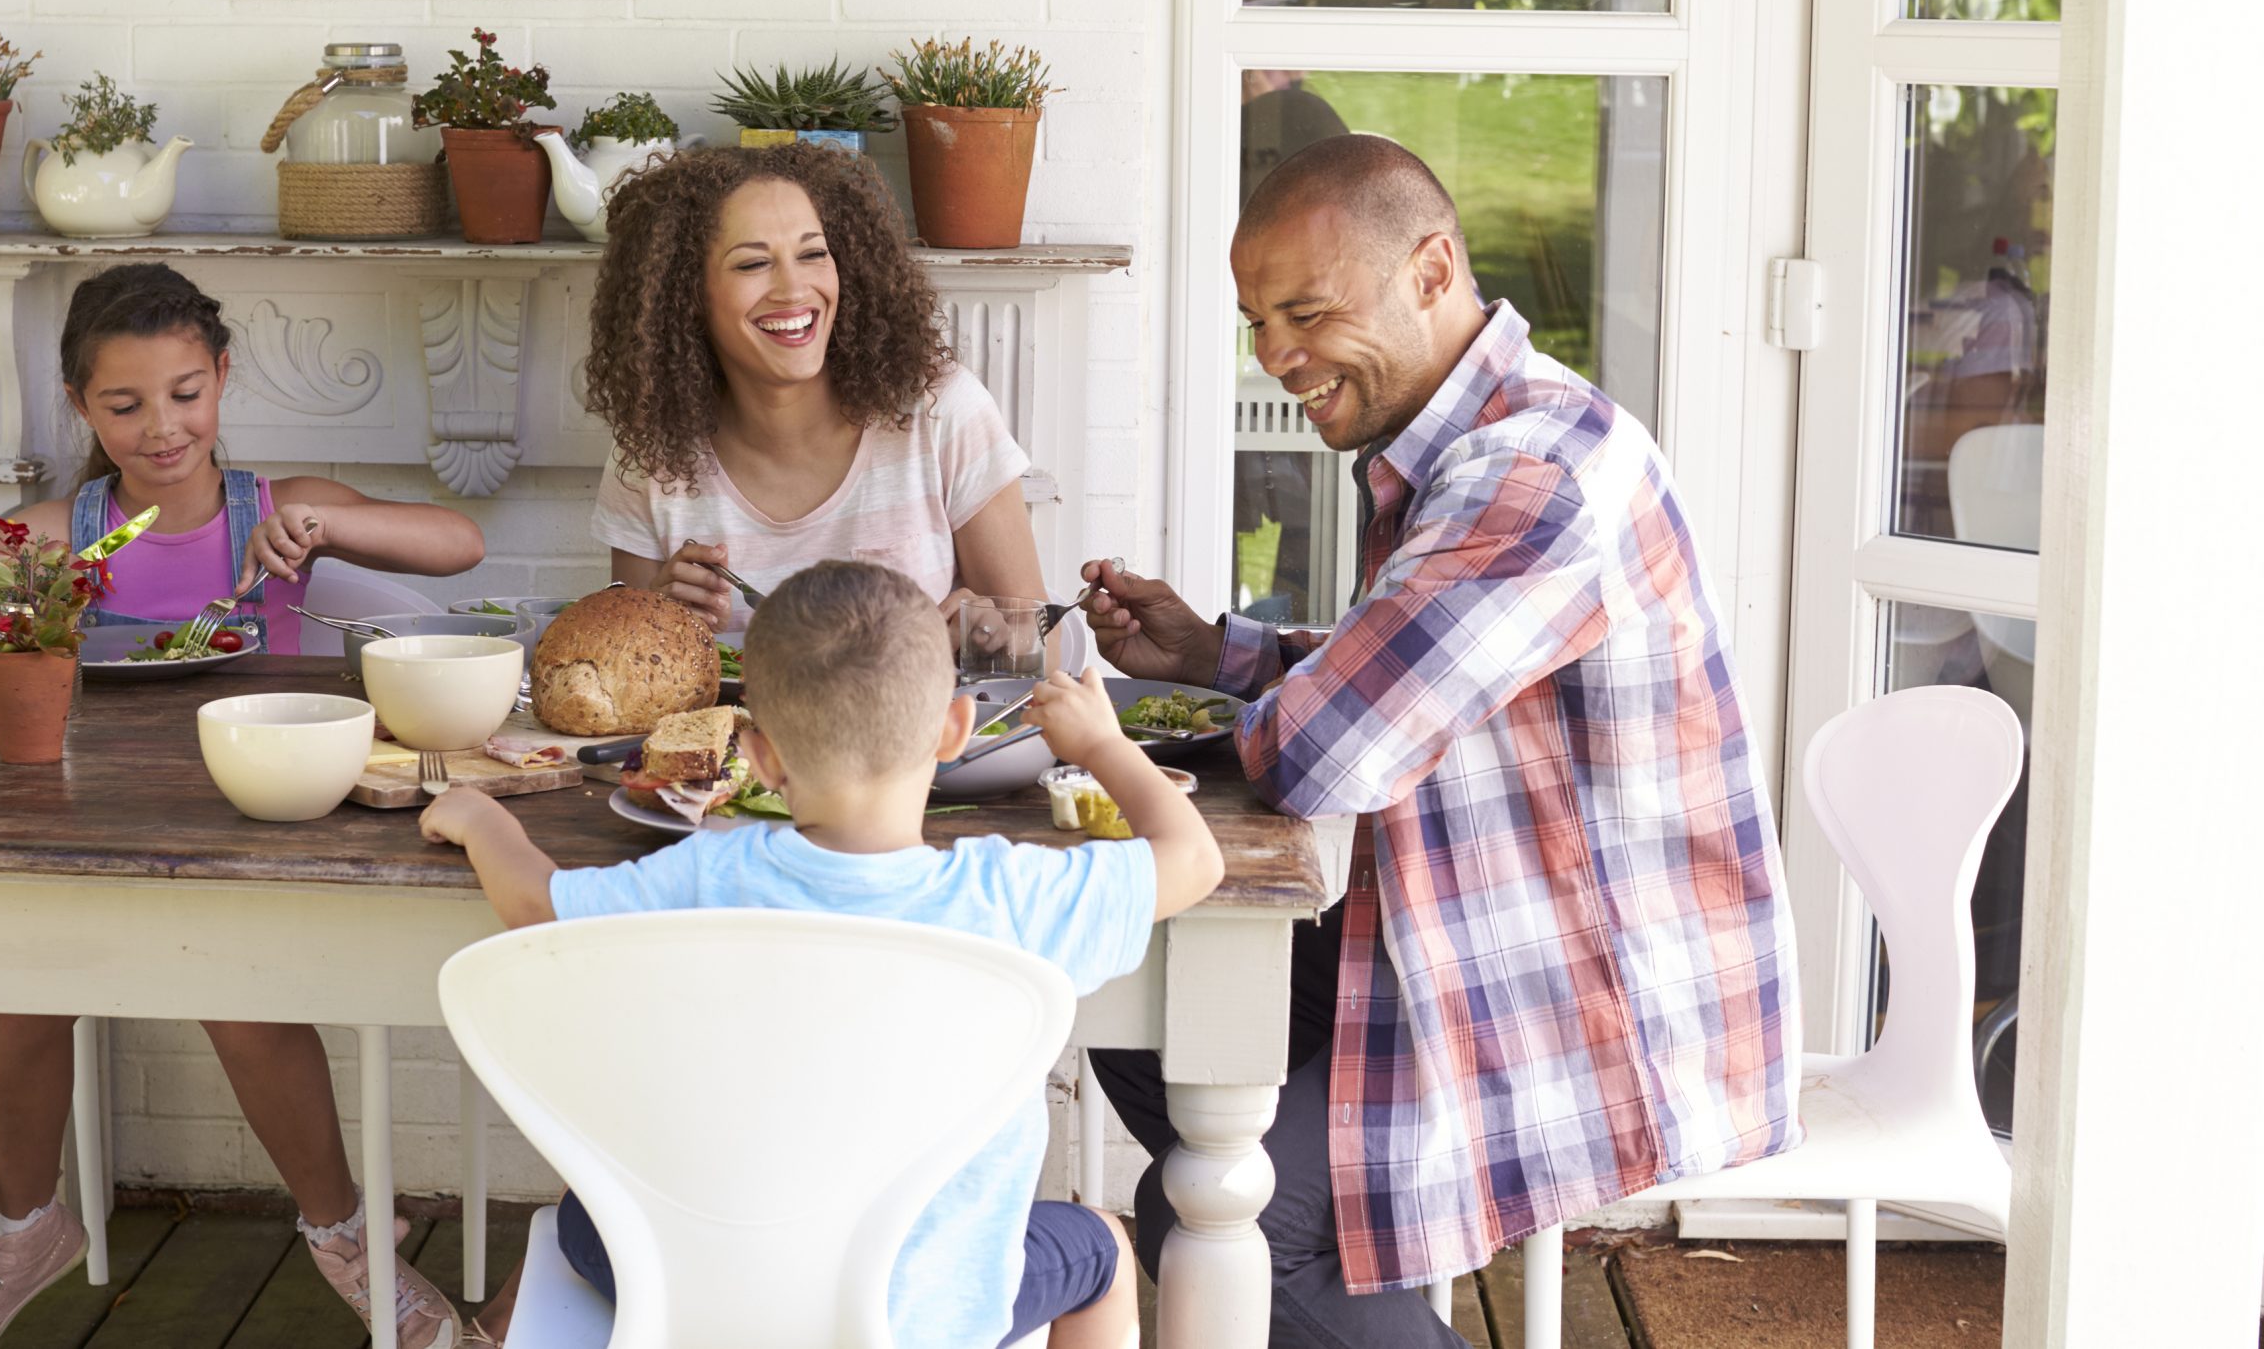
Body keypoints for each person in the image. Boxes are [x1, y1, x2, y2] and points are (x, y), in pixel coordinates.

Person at [1080, 134, 1800, 1348]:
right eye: (1256, 321)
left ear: (1430, 269)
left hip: (1577, 985)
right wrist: (1219, 653)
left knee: (1234, 1218)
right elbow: (1414, 673)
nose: (1275, 356)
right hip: (1467, 933)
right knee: (1145, 1007)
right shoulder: (1472, 446)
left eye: (1304, 312)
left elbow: (1330, 753)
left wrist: (1132, 732)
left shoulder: (1530, 473)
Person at [0, 262, 487, 1349]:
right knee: (6, 985)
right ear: (79, 406)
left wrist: (328, 535)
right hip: (89, 826)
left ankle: (344, 1236)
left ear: (223, 381)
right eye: (125, 404)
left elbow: (456, 544)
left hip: (248, 823)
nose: (162, 428)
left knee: (239, 994)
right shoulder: (71, 524)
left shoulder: (275, 512)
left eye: (186, 394)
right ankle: (26, 1227)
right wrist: (6, 568)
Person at [421, 560, 1225, 1349]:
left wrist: (481, 818)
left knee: (583, 1211)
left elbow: (535, 903)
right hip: (925, 1321)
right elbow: (1195, 858)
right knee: (1105, 1248)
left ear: (760, 755)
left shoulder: (706, 875)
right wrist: (1104, 745)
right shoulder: (1007, 898)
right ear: (955, 729)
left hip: (716, 1303)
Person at [582, 143, 1046, 640]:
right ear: (687, 295)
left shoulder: (941, 413)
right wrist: (658, 621)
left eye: (812, 254)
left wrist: (989, 637)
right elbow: (628, 682)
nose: (795, 289)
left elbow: (1046, 644)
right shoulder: (651, 456)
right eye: (752, 264)